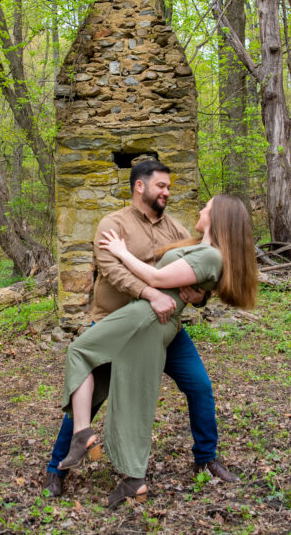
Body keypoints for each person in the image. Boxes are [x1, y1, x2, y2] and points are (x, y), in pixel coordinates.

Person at [44, 161, 246, 500]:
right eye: (161, 186)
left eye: (169, 186)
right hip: (116, 321)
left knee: (200, 387)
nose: (167, 192)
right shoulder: (113, 224)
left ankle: (206, 459)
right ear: (140, 187)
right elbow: (112, 272)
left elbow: (197, 270)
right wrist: (151, 293)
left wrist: (199, 295)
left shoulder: (176, 229)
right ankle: (56, 470)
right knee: (89, 395)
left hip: (165, 328)